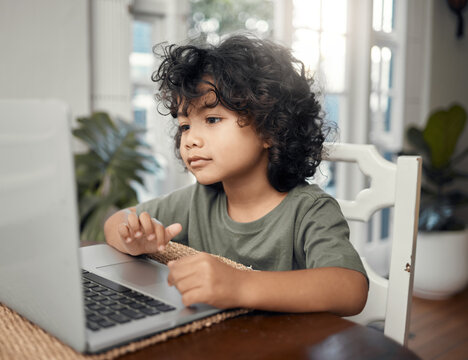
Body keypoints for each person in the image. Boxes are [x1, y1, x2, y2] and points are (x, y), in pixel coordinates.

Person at [104, 34, 368, 316]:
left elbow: (350, 289)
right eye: (184, 126)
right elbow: (113, 223)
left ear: (270, 129)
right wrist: (135, 237)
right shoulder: (198, 200)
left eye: (212, 119)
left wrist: (240, 285)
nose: (190, 140)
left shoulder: (310, 210)